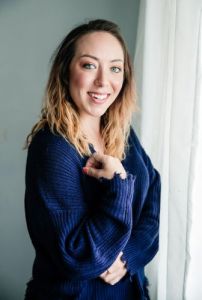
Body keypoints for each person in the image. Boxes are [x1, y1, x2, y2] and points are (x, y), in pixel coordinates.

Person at [24, 19, 161, 300]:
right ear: (65, 72)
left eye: (115, 68)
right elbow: (80, 256)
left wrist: (128, 256)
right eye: (89, 65)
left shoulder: (123, 133)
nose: (103, 81)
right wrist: (119, 185)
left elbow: (153, 200)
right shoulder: (53, 147)